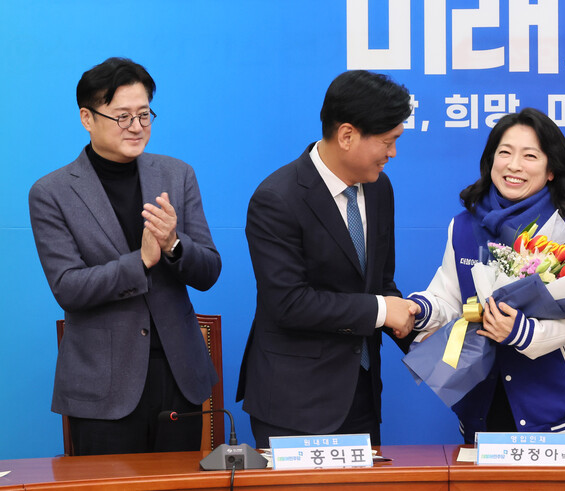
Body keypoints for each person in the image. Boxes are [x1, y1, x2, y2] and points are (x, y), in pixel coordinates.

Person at [28, 57, 221, 455]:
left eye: (144, 115)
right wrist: (141, 261)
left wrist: (174, 246)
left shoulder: (177, 174)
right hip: (103, 387)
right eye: (122, 117)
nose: (136, 127)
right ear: (87, 118)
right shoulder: (51, 193)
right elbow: (68, 288)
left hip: (178, 377)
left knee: (181, 483)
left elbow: (209, 270)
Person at [236, 70, 417, 448]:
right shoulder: (277, 199)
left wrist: (419, 330)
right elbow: (289, 303)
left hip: (361, 394)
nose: (393, 154)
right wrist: (383, 311)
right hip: (294, 403)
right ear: (347, 135)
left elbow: (380, 283)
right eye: (388, 142)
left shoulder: (379, 188)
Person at [408, 108, 565, 444]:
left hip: (553, 403)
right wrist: (420, 308)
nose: (514, 165)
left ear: (551, 170)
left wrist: (524, 333)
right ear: (491, 160)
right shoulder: (463, 225)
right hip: (482, 395)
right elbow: (448, 296)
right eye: (505, 153)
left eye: (530, 156)